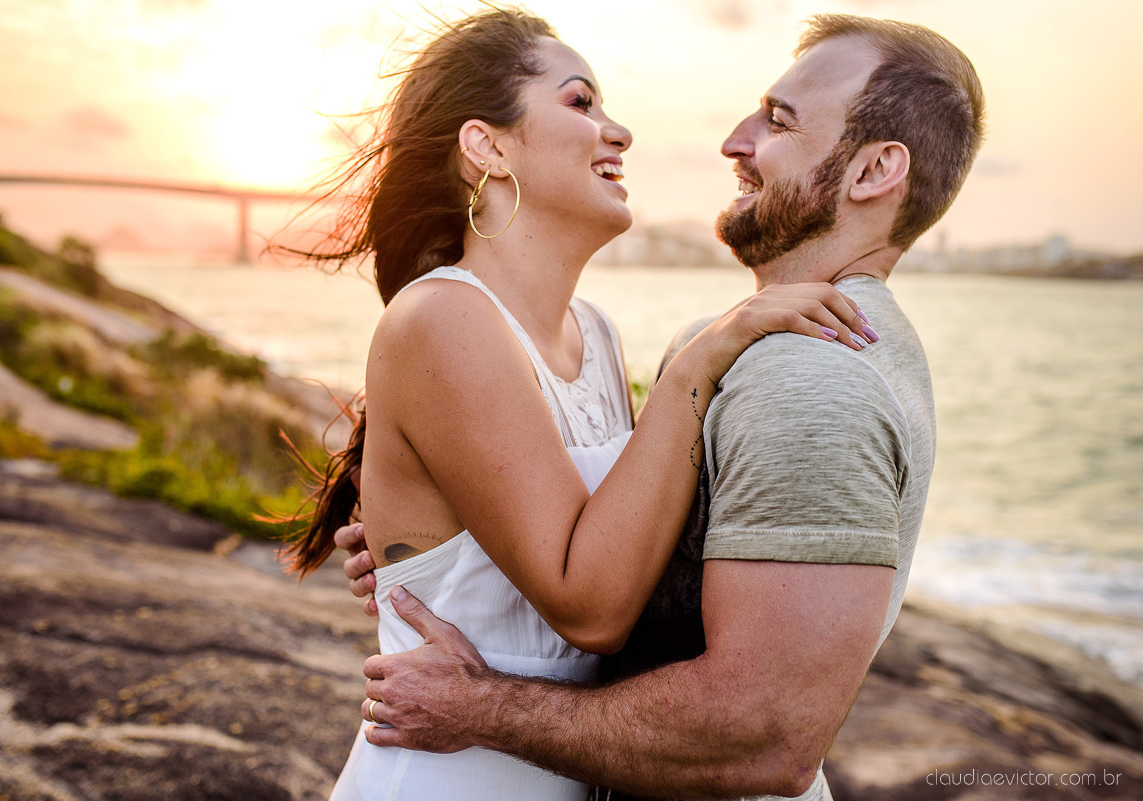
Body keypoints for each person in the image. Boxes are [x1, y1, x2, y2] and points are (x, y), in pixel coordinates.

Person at [343, 13, 985, 801]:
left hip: (545, 759)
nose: (620, 131)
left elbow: (609, 561)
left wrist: (451, 559)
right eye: (581, 102)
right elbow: (590, 578)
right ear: (488, 147)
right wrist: (427, 544)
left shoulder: (608, 336)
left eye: (779, 119)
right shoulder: (447, 318)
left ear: (876, 169)